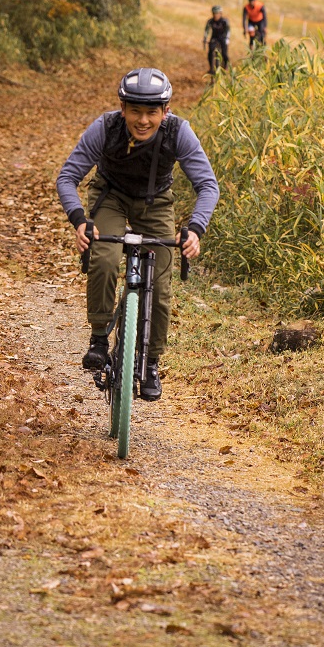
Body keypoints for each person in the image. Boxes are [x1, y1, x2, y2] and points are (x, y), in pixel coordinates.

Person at [56, 67, 219, 401]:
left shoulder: (179, 132)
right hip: (110, 197)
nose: (143, 120)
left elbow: (207, 185)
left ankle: (151, 361)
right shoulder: (105, 127)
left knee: (159, 284)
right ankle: (100, 337)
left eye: (151, 113)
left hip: (155, 201)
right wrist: (80, 221)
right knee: (104, 257)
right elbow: (68, 177)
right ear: (123, 108)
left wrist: (196, 230)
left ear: (165, 111)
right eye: (135, 111)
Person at [203, 5, 230, 74]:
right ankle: (211, 67)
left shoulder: (224, 21)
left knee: (224, 53)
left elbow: (228, 31)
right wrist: (205, 38)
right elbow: (206, 30)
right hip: (214, 38)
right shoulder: (210, 21)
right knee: (210, 52)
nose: (216, 15)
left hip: (223, 38)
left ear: (220, 14)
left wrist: (227, 39)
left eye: (217, 13)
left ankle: (225, 66)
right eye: (214, 13)